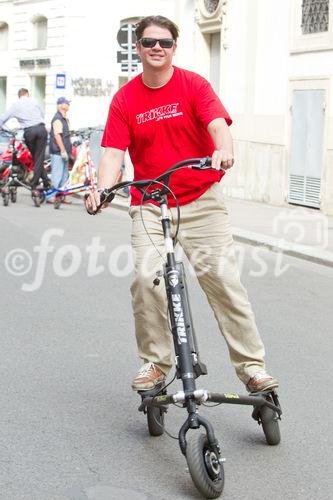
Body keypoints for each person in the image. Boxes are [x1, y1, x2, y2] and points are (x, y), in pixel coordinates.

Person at [85, 15, 279, 394]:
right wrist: (102, 190)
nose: (157, 48)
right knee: (146, 280)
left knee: (222, 281)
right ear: (138, 47)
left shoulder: (193, 85)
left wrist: (224, 150)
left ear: (175, 47)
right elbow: (112, 154)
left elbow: (218, 126)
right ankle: (156, 364)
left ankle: (253, 367)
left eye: (165, 42)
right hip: (150, 203)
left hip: (200, 201)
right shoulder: (125, 99)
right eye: (149, 42)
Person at [0, 88, 50, 196]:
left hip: (29, 132)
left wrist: (2, 129)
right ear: (27, 94)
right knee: (38, 158)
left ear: (19, 96)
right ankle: (42, 183)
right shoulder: (34, 101)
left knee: (36, 158)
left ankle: (40, 183)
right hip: (41, 129)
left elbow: (2, 119)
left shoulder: (16, 105)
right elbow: (42, 114)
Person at [48, 97, 72, 204]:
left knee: (64, 176)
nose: (68, 105)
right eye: (66, 103)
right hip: (58, 152)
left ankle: (62, 196)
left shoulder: (64, 118)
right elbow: (57, 136)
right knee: (57, 175)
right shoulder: (57, 119)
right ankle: (50, 196)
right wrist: (62, 150)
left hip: (65, 151)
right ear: (60, 105)